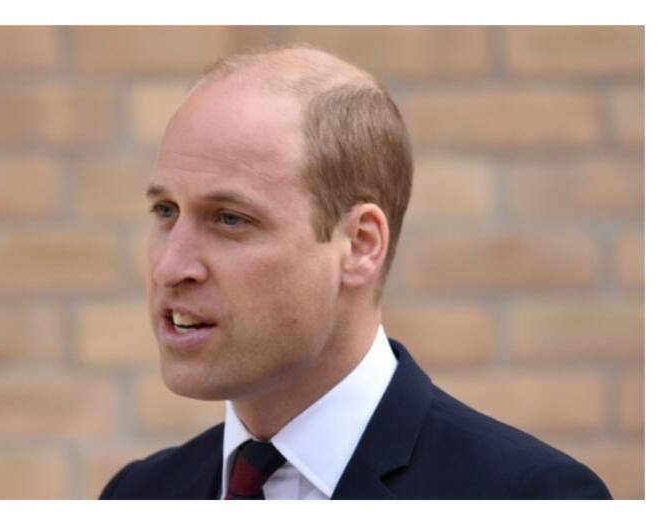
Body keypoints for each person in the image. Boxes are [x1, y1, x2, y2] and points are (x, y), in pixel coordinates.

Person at [99, 44, 611, 500]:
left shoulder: (532, 498)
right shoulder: (138, 495)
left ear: (361, 245)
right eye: (166, 211)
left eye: (230, 219)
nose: (170, 267)